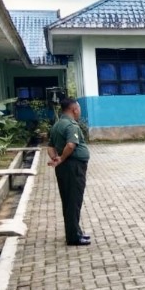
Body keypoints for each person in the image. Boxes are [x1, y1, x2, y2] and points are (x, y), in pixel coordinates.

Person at [47, 98, 91, 247]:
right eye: (79, 109)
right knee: (73, 201)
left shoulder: (57, 125)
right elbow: (71, 145)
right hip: (73, 167)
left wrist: (56, 158)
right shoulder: (71, 125)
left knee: (67, 200)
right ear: (74, 110)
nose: (79, 112)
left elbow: (50, 147)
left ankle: (74, 232)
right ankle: (73, 237)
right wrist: (62, 158)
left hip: (64, 167)